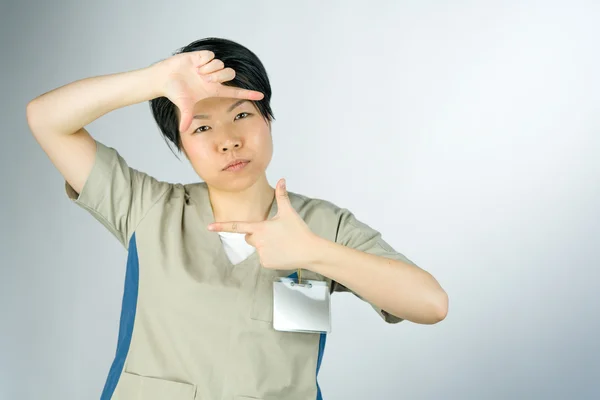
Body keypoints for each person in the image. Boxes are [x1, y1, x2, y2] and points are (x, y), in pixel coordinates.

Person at [26, 37, 448, 400]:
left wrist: (313, 252)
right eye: (201, 128)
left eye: (242, 115)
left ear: (268, 120)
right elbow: (47, 120)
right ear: (182, 146)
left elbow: (430, 303)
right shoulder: (148, 208)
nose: (228, 141)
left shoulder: (322, 225)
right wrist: (155, 80)